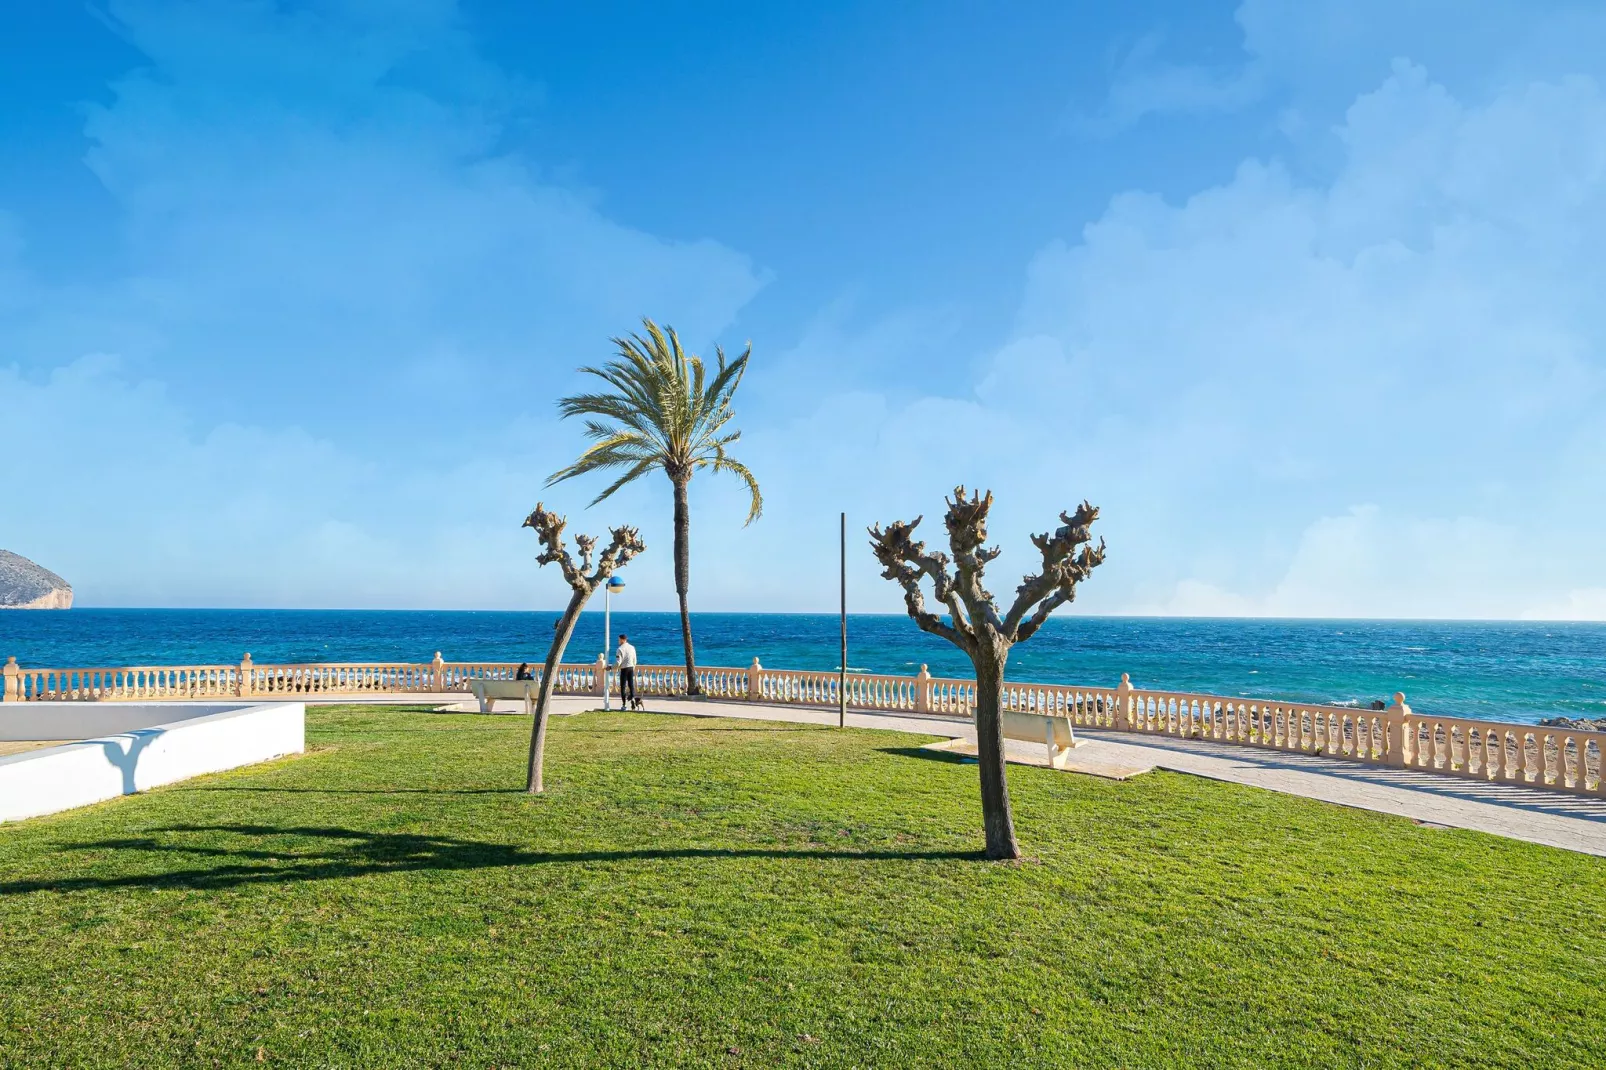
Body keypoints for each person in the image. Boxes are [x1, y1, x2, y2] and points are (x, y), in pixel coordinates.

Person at [616, 634, 639, 709]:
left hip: (624, 669)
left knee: (623, 687)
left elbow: (618, 662)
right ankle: (632, 698)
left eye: (619, 639)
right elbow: (635, 660)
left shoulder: (620, 649)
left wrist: (610, 667)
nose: (618, 641)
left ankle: (624, 704)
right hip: (631, 667)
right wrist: (633, 667)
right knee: (631, 685)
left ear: (622, 640)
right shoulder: (632, 647)